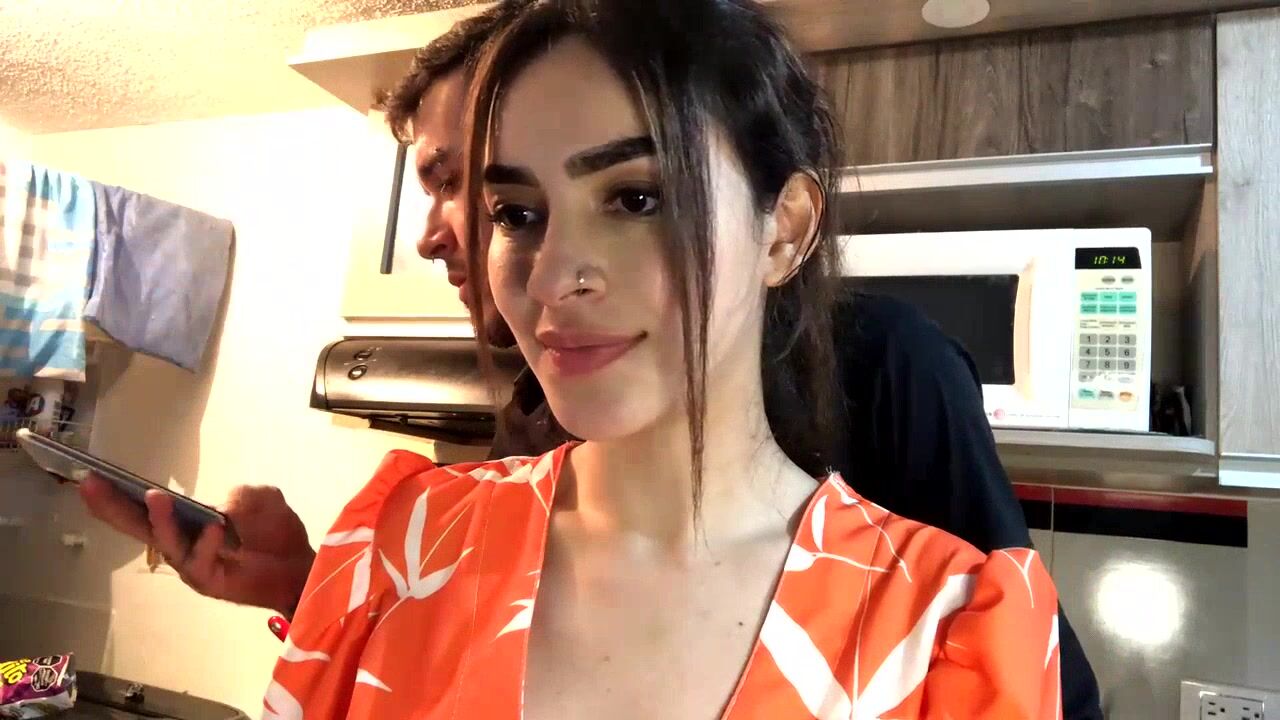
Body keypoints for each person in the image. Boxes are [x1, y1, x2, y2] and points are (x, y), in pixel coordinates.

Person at [77, 2, 1104, 717]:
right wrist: (320, 597)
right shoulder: (400, 538)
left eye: (636, 197)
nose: (552, 273)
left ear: (785, 230)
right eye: (515, 211)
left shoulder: (951, 627)